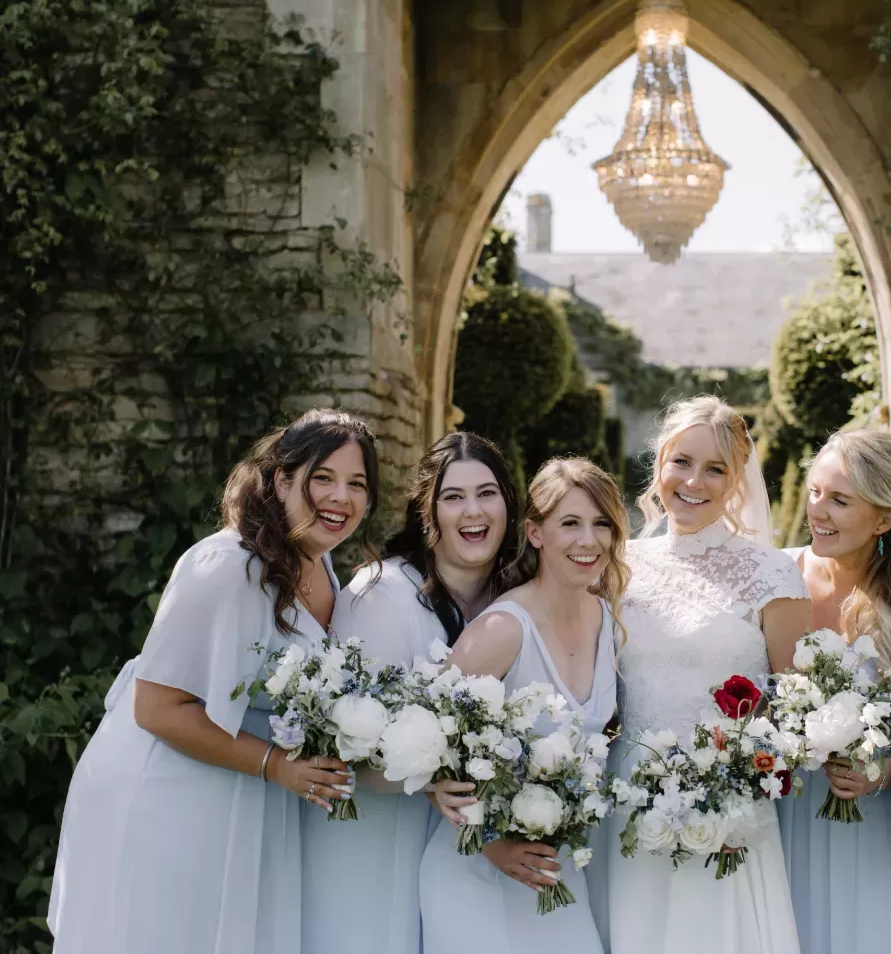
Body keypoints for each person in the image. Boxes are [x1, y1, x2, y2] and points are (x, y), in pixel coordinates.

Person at [49, 408, 379, 954]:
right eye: (323, 477)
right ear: (281, 478)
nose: (341, 497)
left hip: (249, 788)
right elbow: (156, 708)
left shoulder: (321, 567)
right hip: (172, 792)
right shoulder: (225, 565)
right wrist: (277, 765)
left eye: (357, 483)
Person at [605, 395, 811, 954]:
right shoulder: (620, 566)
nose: (694, 481)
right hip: (628, 805)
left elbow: (797, 704)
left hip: (728, 814)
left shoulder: (772, 572)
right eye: (682, 462)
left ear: (736, 482)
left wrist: (731, 777)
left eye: (715, 468)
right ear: (660, 466)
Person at [301, 432, 520, 954]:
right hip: (375, 845)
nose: (473, 511)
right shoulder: (382, 595)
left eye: (487, 493)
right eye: (453, 496)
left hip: (470, 857)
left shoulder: (516, 599)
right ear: (428, 510)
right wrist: (428, 782)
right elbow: (342, 750)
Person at [419, 457, 628, 954]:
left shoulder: (607, 618)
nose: (589, 540)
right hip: (477, 874)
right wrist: (492, 845)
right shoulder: (503, 628)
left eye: (602, 524)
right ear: (535, 532)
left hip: (556, 877)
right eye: (570, 523)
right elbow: (425, 747)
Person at [776, 429, 891, 954]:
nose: (819, 511)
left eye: (840, 500)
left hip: (876, 835)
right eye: (815, 493)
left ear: (884, 518)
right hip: (783, 823)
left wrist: (880, 770)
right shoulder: (774, 577)